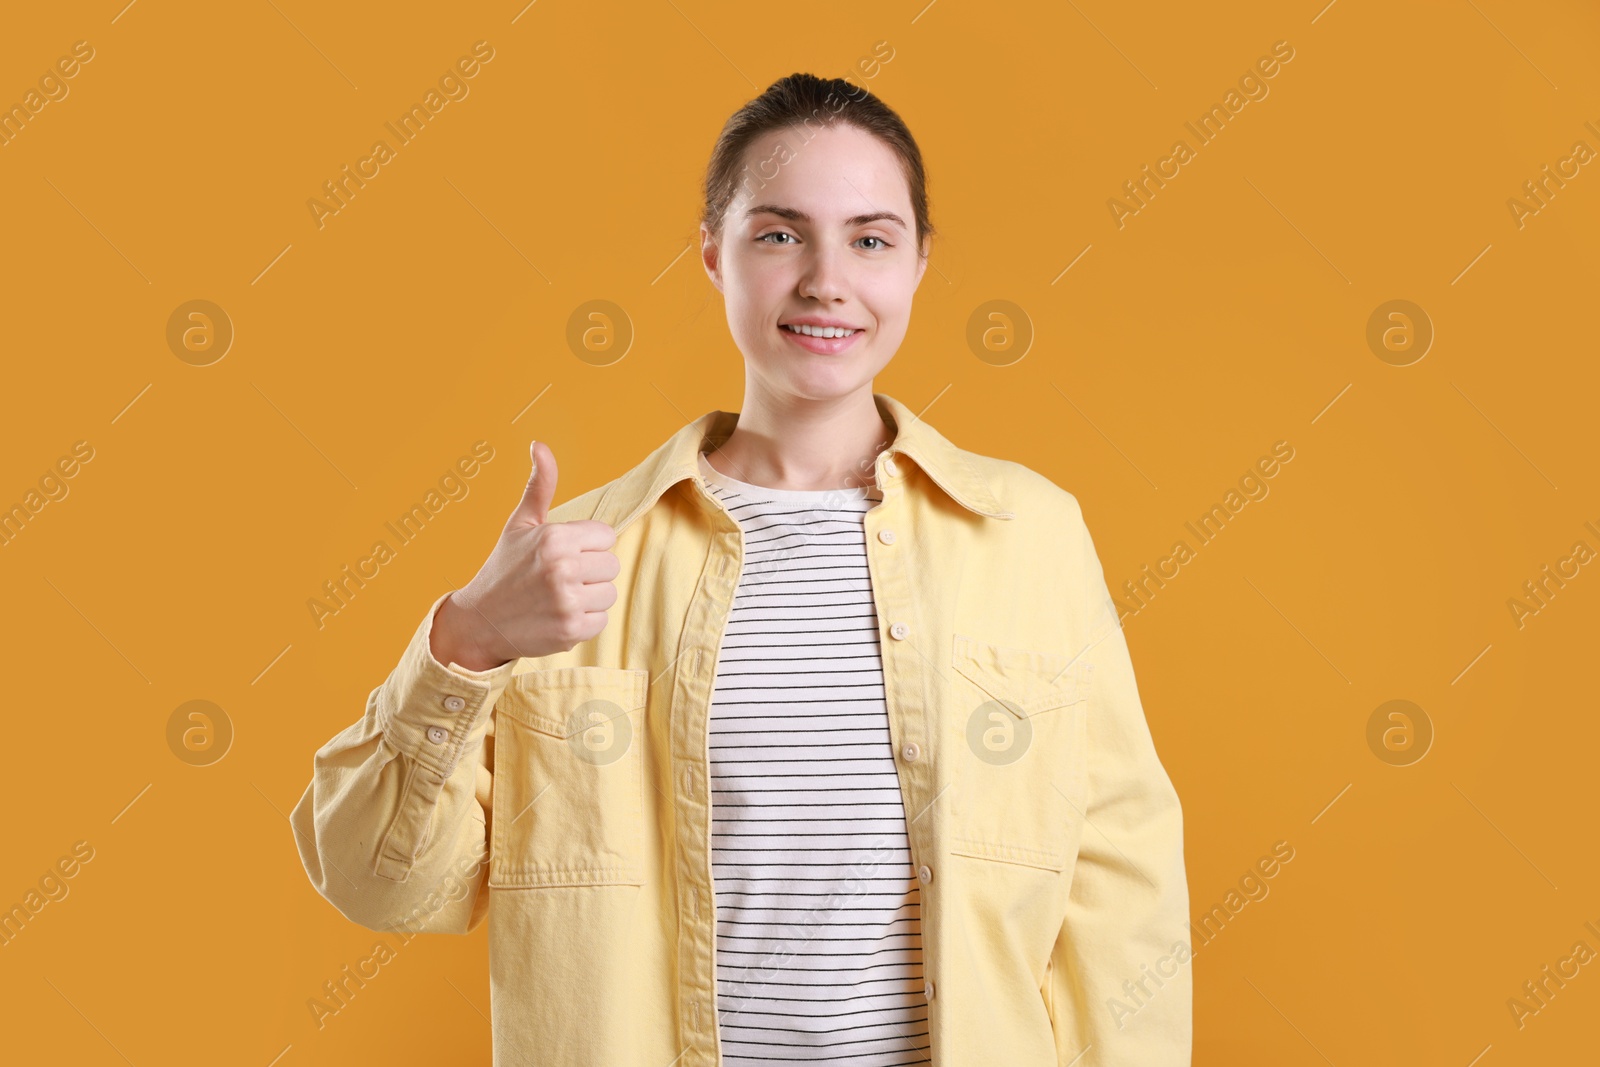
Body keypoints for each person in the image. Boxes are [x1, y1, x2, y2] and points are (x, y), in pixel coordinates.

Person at [291, 72, 1190, 1066]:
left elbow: (1121, 886)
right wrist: (466, 639)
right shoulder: (576, 564)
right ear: (713, 254)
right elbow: (377, 883)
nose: (825, 279)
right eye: (778, 234)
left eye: (870, 238)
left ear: (918, 264)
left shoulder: (1030, 533)